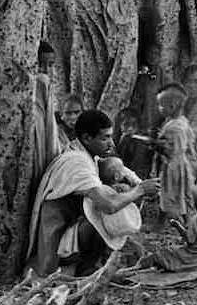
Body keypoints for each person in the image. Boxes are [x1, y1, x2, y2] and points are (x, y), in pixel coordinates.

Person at [25, 110, 162, 276]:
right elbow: (109, 206)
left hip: (71, 227)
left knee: (121, 196)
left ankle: (90, 265)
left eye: (111, 137)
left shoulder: (86, 153)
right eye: (105, 138)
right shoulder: (77, 163)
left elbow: (120, 169)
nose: (111, 143)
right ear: (87, 138)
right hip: (57, 241)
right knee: (108, 217)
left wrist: (138, 183)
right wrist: (140, 190)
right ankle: (84, 268)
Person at [138, 182, 197, 272]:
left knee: (165, 253)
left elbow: (190, 241)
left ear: (195, 204)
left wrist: (177, 226)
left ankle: (140, 265)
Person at [156, 83, 197, 221]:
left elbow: (171, 150)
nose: (159, 108)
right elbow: (191, 141)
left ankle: (164, 219)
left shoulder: (175, 127)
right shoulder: (181, 121)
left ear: (172, 106)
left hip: (173, 166)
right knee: (180, 191)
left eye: (161, 105)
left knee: (169, 191)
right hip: (180, 163)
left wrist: (156, 145)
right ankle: (185, 217)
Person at [30, 42, 62, 192]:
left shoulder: (46, 86)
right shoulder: (40, 82)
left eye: (50, 65)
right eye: (40, 64)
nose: (46, 70)